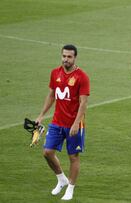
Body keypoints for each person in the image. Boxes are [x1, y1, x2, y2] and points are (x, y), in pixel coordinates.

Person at [35, 44, 90, 200]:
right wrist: (41, 115)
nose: (66, 59)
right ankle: (61, 179)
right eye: (64, 56)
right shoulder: (55, 73)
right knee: (47, 152)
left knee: (73, 157)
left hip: (74, 124)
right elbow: (52, 95)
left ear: (75, 58)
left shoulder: (82, 77)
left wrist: (75, 123)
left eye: (69, 57)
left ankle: (70, 188)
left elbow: (83, 103)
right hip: (57, 122)